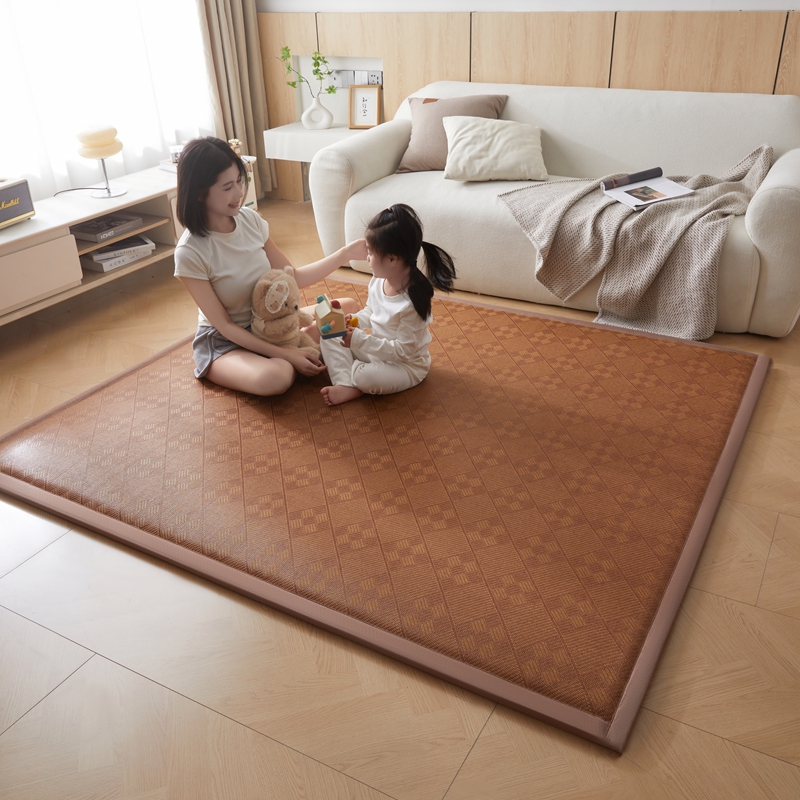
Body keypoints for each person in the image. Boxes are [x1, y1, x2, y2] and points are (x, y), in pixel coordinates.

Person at [173, 136, 365, 396]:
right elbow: (225, 326)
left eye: (239, 181)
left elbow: (293, 277)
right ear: (198, 193)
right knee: (277, 376)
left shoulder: (250, 220)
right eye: (227, 187)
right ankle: (298, 352)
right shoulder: (190, 252)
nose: (238, 193)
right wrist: (289, 355)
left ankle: (299, 349)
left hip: (269, 325)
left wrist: (345, 254)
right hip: (226, 343)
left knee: (347, 308)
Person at [320, 204, 456, 406]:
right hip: (376, 349)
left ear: (392, 258)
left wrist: (358, 340)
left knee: (365, 377)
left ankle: (352, 378)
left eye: (370, 253)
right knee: (330, 334)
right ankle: (346, 384)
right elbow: (371, 311)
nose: (367, 258)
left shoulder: (412, 302)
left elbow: (404, 351)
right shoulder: (378, 280)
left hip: (405, 366)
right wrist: (353, 321)